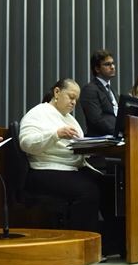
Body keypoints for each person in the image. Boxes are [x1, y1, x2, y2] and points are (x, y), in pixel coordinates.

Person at [19, 78, 101, 235]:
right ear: (57, 92)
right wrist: (56, 134)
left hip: (71, 168)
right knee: (88, 191)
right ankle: (80, 241)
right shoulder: (38, 113)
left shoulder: (69, 118)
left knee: (110, 185)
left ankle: (112, 241)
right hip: (45, 169)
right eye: (71, 97)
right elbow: (26, 143)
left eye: (76, 99)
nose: (74, 102)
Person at [79, 49, 119, 136]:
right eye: (107, 64)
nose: (112, 67)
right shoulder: (89, 90)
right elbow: (96, 119)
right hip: (101, 139)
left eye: (113, 63)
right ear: (97, 69)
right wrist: (118, 132)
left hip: (115, 137)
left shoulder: (112, 90)